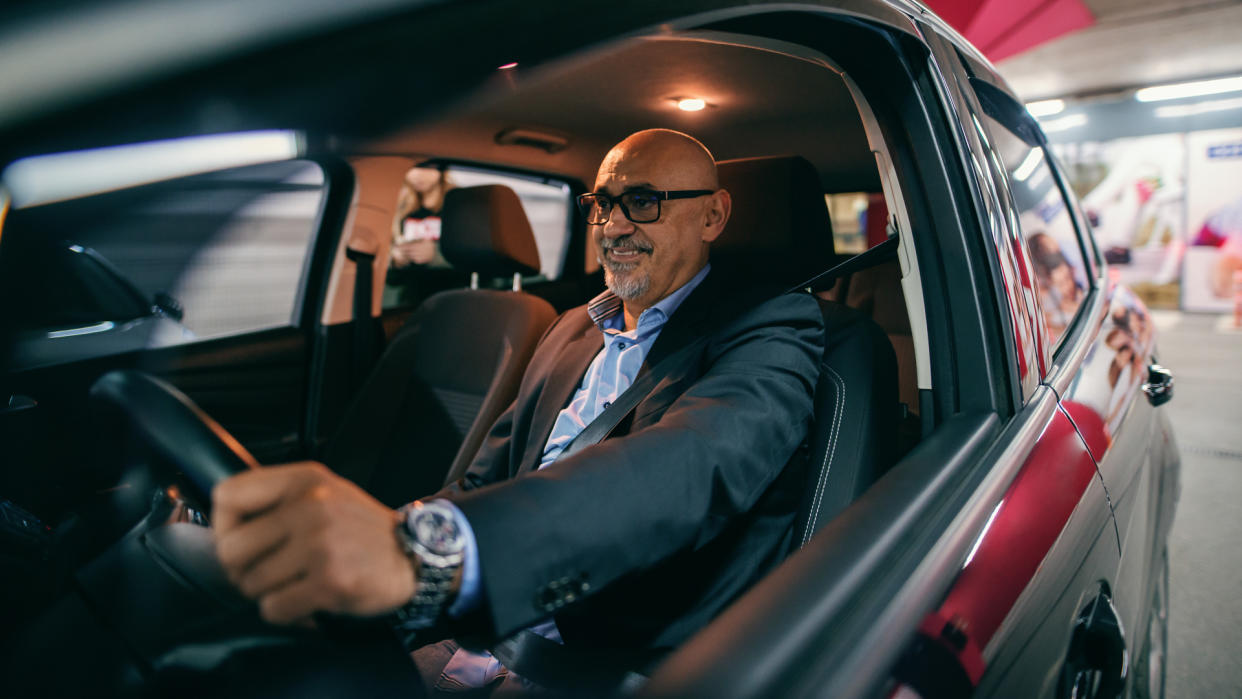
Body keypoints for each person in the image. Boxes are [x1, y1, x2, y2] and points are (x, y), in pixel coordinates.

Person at [212, 129, 825, 694]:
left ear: (713, 215)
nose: (611, 227)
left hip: (604, 660)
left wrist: (442, 557)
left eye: (642, 202)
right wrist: (388, 540)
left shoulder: (769, 327)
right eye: (601, 203)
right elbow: (486, 477)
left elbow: (689, 466)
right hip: (487, 624)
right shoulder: (570, 329)